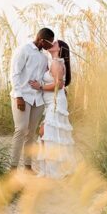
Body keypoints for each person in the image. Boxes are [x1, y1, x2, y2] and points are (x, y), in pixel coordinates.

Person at [31, 38, 76, 178]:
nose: (51, 43)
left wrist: (41, 87)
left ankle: (52, 171)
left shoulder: (56, 63)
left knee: (48, 135)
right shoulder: (53, 63)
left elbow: (59, 85)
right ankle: (48, 169)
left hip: (56, 103)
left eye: (55, 43)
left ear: (59, 49)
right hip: (52, 103)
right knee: (46, 134)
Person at [9, 28, 53, 171]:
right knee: (20, 130)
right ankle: (13, 168)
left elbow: (45, 77)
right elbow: (15, 73)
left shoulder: (44, 57)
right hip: (23, 97)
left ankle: (28, 167)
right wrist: (19, 96)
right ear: (41, 40)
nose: (50, 46)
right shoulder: (24, 50)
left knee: (31, 133)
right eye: (49, 43)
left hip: (37, 100)